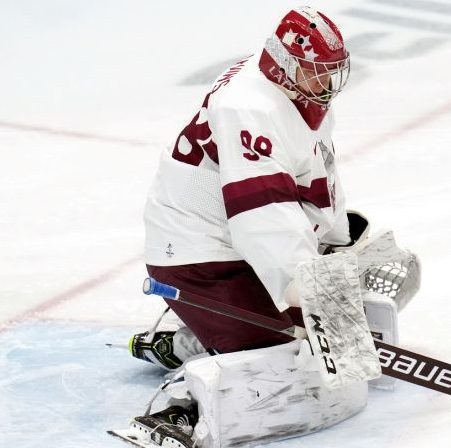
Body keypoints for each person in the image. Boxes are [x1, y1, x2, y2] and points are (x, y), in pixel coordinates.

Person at [114, 6, 414, 448]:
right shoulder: (248, 106)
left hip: (235, 247)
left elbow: (316, 167)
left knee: (320, 326)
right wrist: (306, 283)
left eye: (332, 72)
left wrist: (333, 244)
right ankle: (180, 401)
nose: (328, 84)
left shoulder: (298, 92)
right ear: (285, 67)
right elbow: (260, 215)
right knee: (290, 352)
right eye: (317, 73)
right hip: (198, 259)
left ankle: (191, 337)